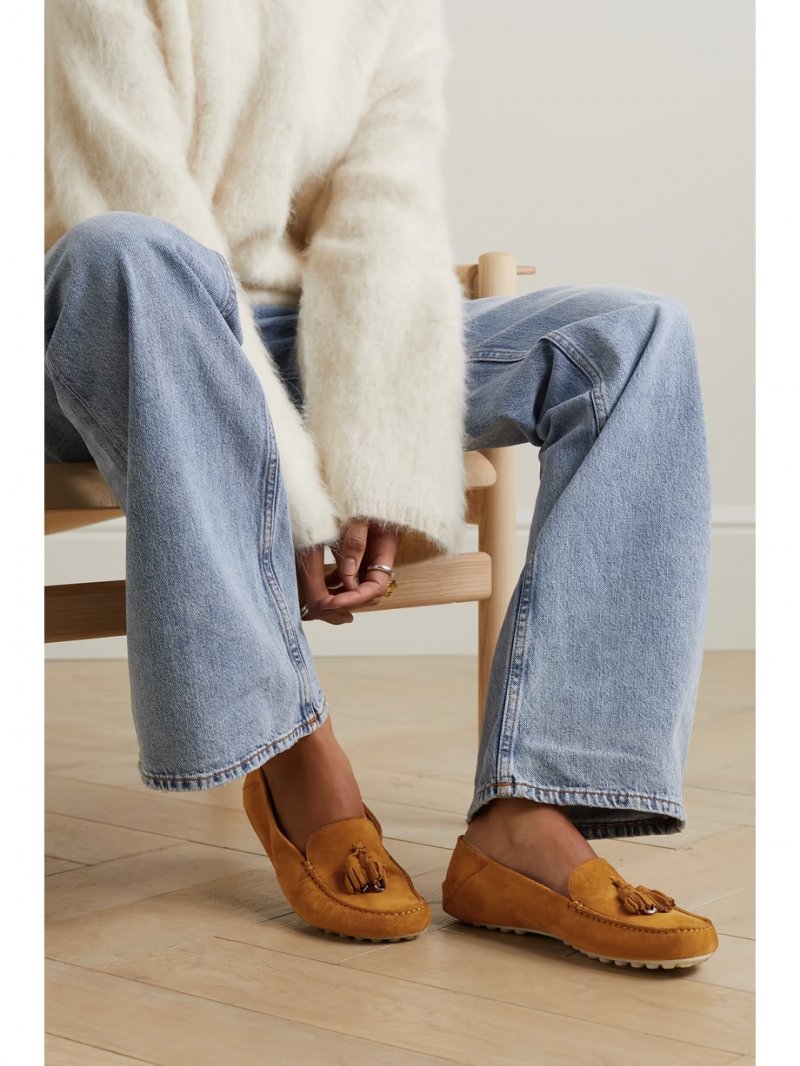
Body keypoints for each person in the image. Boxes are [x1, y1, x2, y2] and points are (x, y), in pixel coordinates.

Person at [44, 0, 718, 968]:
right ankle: (292, 744)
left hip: (299, 338)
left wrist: (378, 454)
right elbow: (125, 202)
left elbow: (383, 222)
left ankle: (528, 815)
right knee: (129, 251)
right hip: (107, 331)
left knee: (636, 337)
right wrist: (295, 495)